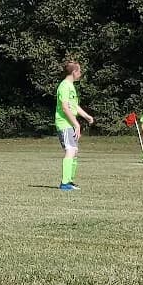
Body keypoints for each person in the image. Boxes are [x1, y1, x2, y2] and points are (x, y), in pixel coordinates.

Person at [55, 61, 94, 191]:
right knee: (70, 150)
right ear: (74, 72)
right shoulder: (64, 86)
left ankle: (70, 181)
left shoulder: (71, 86)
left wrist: (86, 116)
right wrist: (76, 124)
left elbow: (74, 106)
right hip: (64, 123)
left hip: (70, 123)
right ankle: (64, 183)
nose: (81, 73)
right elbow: (65, 108)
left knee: (74, 151)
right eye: (79, 71)